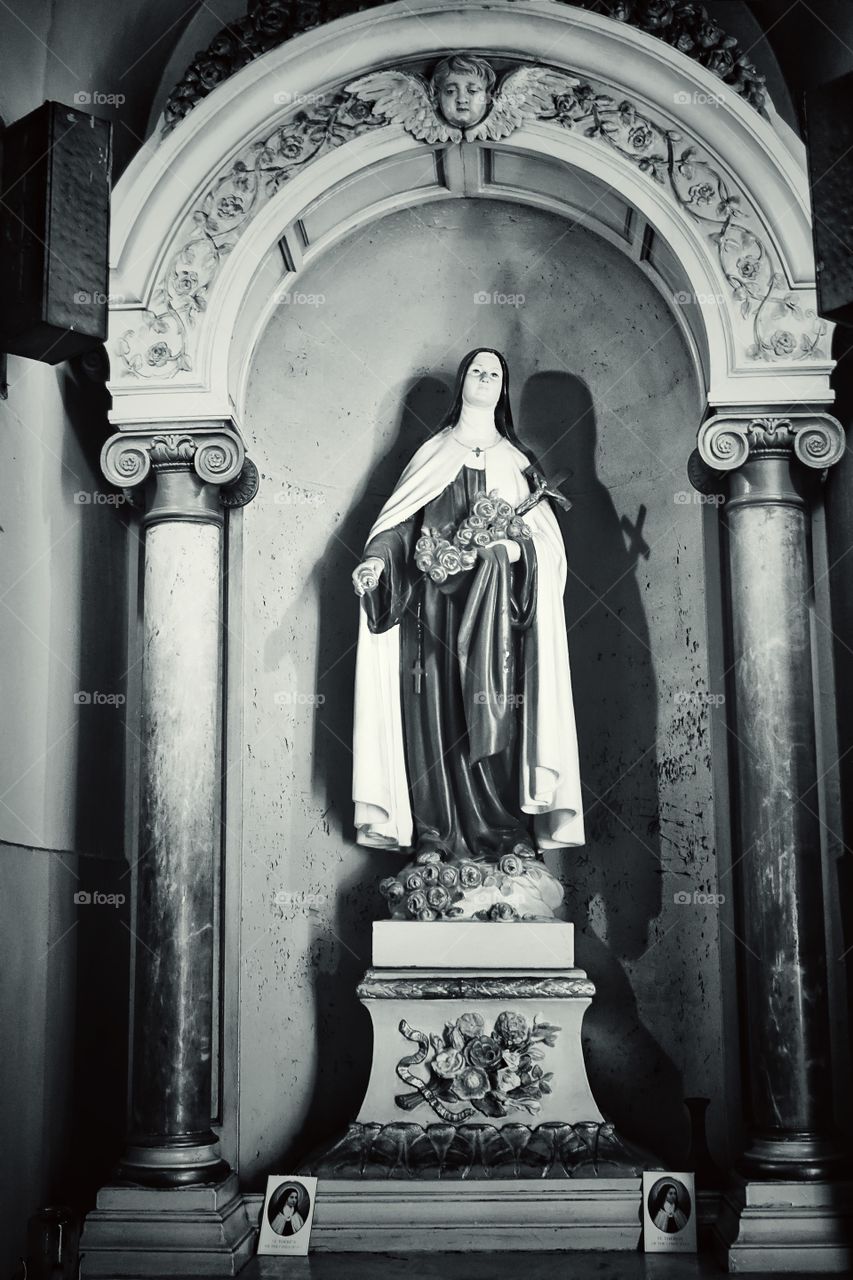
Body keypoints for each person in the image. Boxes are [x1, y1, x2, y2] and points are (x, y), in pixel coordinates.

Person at [351, 348, 584, 862]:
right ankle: (436, 834)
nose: (484, 377)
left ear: (503, 388)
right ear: (462, 382)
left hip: (498, 626)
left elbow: (546, 547)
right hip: (433, 618)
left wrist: (511, 551)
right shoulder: (432, 454)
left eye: (494, 373)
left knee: (498, 714)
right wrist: (375, 562)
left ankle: (502, 832)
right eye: (476, 370)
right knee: (434, 720)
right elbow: (399, 526)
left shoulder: (518, 462)